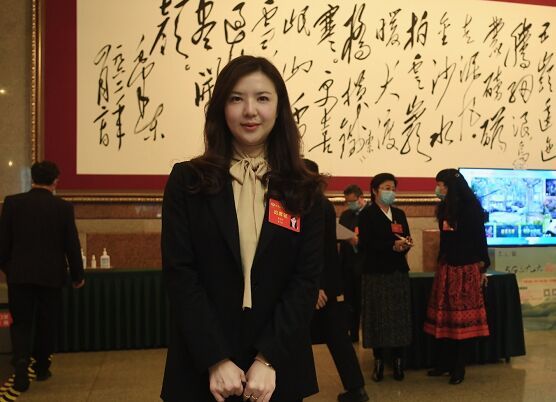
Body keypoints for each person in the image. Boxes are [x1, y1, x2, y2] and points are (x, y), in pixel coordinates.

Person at [160, 55, 326, 402]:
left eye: (262, 98)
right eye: (236, 98)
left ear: (279, 109)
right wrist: (215, 358)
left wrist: (268, 358)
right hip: (203, 364)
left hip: (277, 366)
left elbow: (305, 280)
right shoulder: (187, 181)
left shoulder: (303, 186)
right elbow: (180, 274)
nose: (250, 111)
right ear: (221, 108)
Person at [0, 161, 85, 392]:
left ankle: (20, 363)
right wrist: (77, 275)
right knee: (47, 323)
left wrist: (9, 269)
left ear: (32, 178)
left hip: (19, 276)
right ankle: (41, 366)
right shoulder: (63, 208)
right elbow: (72, 245)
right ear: (55, 181)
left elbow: (3, 243)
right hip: (51, 276)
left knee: (21, 323)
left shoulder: (12, 203)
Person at [304, 160, 368, 402]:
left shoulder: (314, 205)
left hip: (318, 287)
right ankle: (356, 388)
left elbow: (317, 250)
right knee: (337, 338)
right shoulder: (320, 203)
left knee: (313, 337)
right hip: (326, 284)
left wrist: (316, 285)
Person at [424, 168, 490, 385]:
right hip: (447, 268)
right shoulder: (445, 208)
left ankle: (459, 367)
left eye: (441, 185)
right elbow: (445, 239)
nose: (438, 189)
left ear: (451, 186)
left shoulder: (471, 209)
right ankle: (444, 363)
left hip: (465, 269)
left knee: (462, 321)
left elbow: (480, 239)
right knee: (446, 319)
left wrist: (483, 265)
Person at [358, 173, 413, 382]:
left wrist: (405, 244)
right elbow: (366, 244)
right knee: (378, 318)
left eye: (393, 188)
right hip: (376, 273)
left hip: (398, 271)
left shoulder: (399, 213)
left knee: (399, 318)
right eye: (387, 188)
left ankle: (398, 361)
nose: (391, 192)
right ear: (375, 190)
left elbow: (406, 236)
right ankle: (379, 361)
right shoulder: (367, 214)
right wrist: (391, 245)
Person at [338, 185, 368, 342]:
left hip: (364, 265)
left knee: (365, 302)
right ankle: (353, 333)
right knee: (349, 302)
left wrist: (358, 241)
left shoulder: (370, 215)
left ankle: (368, 335)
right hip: (348, 265)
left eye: (352, 201)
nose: (350, 204)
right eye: (347, 202)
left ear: (361, 198)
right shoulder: (345, 215)